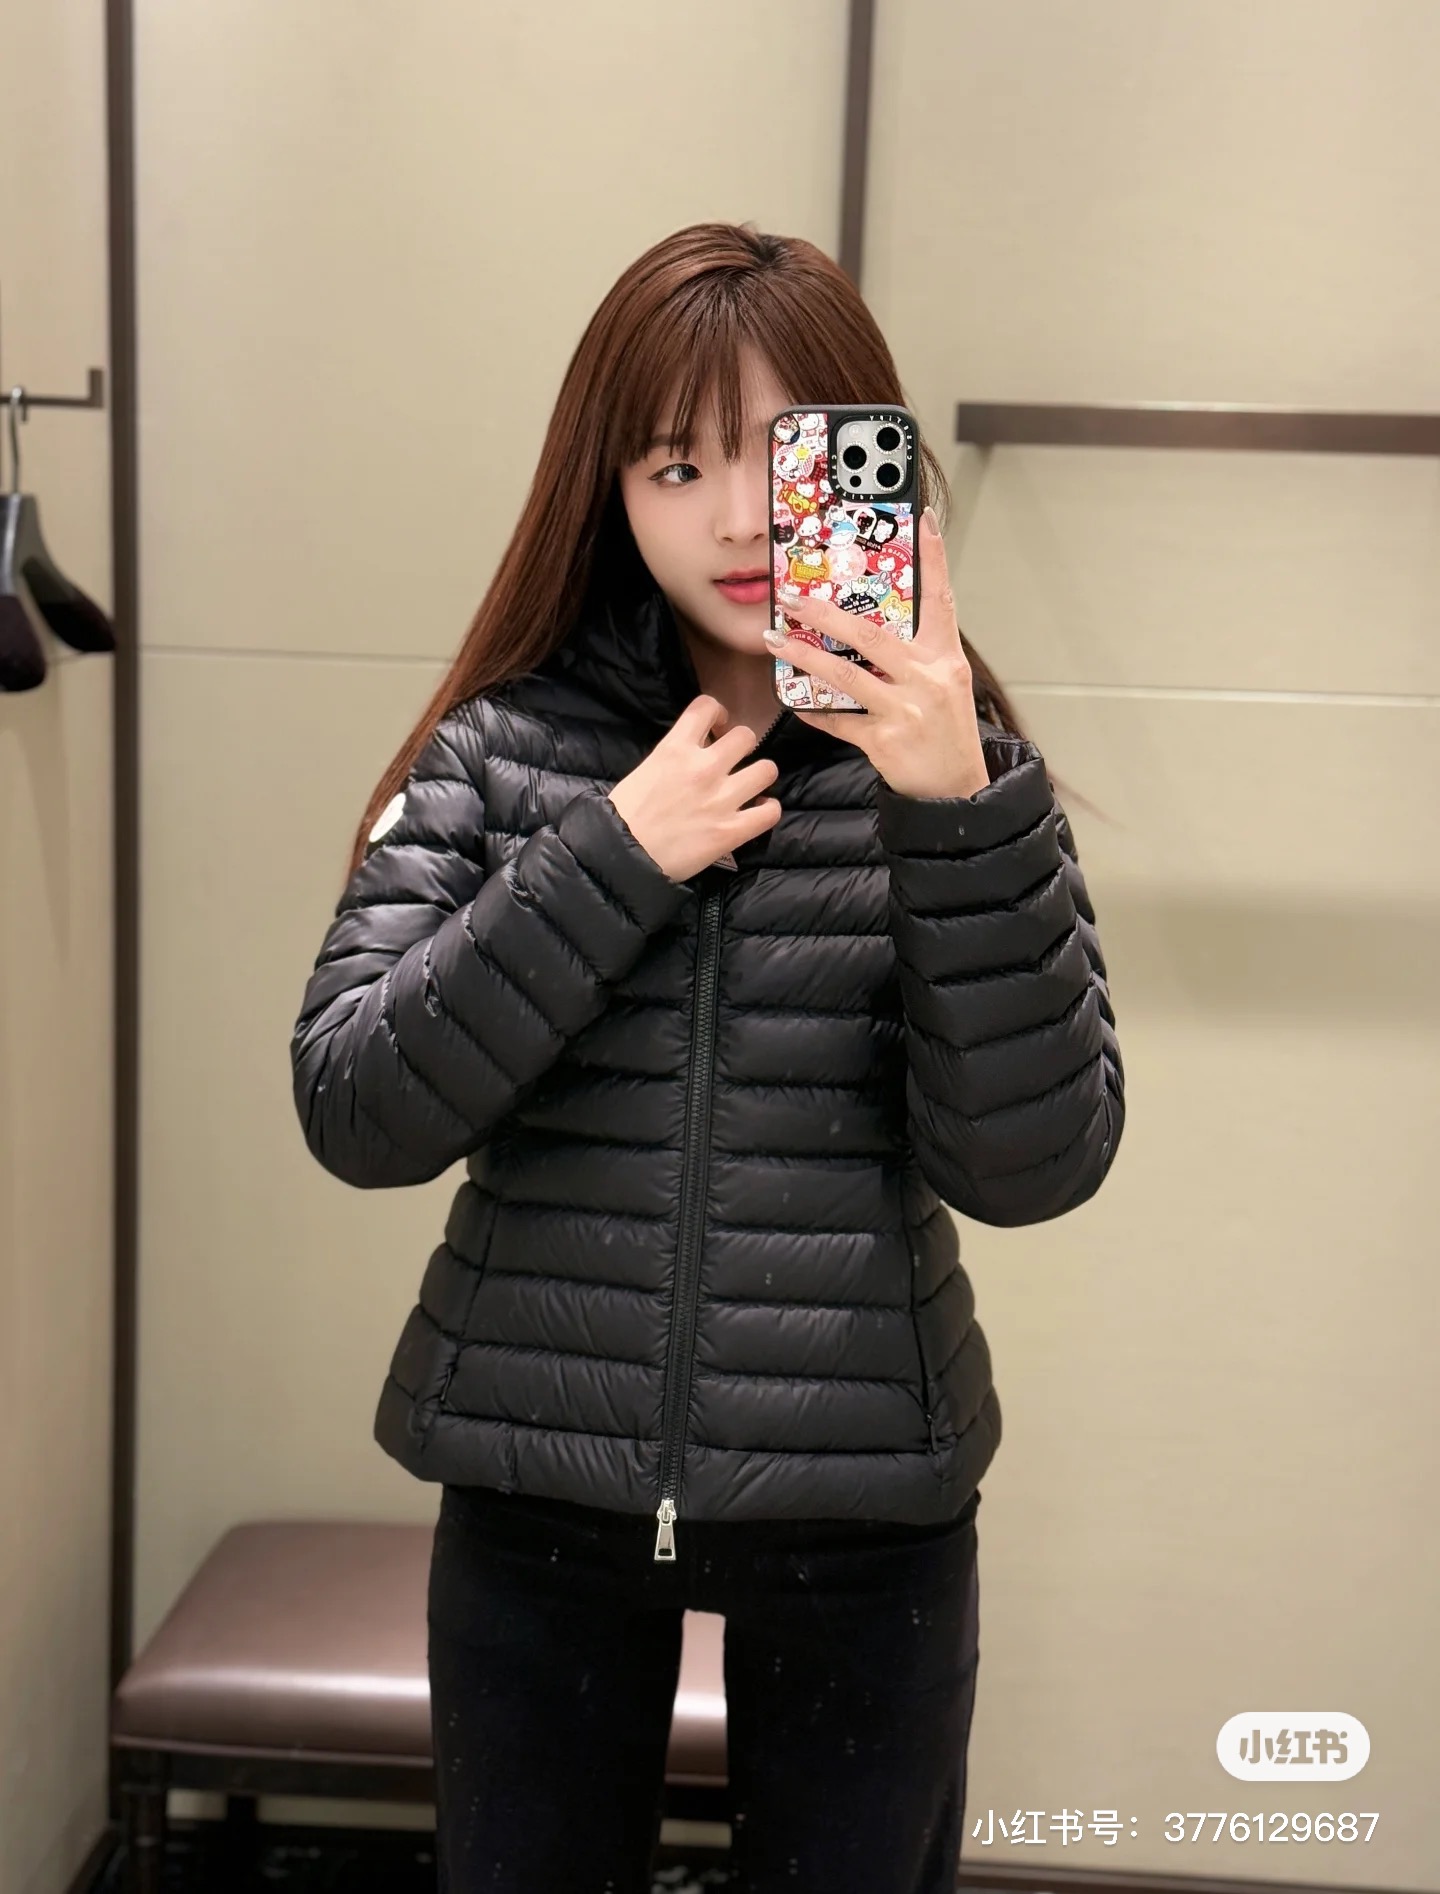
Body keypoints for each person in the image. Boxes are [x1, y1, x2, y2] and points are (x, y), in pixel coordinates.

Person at [289, 222, 1126, 1894]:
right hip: (537, 1489)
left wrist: (952, 810)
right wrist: (613, 851)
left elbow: (1036, 1165)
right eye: (678, 465)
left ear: (872, 463)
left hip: (866, 1508)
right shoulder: (503, 752)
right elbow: (355, 1106)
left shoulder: (957, 771)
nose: (740, 518)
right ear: (607, 491)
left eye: (784, 456)